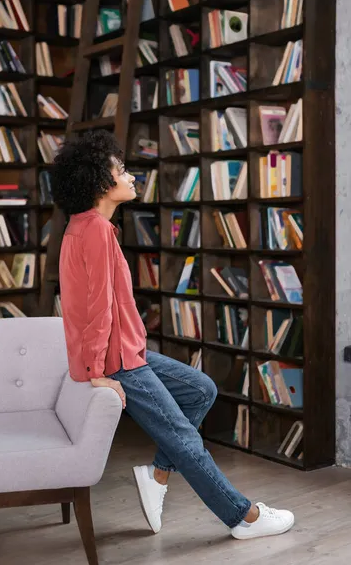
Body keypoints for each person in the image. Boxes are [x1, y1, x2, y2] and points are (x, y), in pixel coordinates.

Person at [52, 130, 295, 541]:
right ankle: (243, 517)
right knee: (184, 437)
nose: (130, 176)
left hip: (127, 351)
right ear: (99, 181)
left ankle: (157, 474)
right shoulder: (94, 230)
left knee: (200, 389)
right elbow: (96, 311)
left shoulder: (87, 226)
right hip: (116, 360)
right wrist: (96, 371)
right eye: (121, 169)